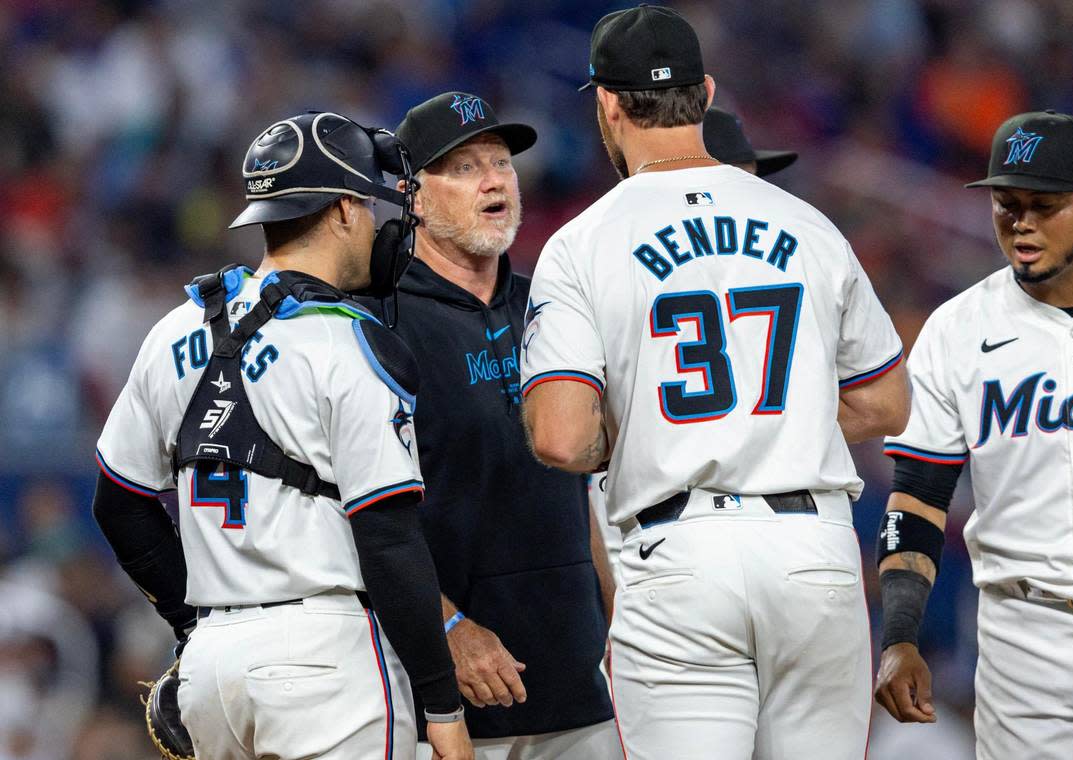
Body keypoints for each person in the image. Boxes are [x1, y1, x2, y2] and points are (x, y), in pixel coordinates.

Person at [520, 6, 910, 760]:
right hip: (813, 548)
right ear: (705, 91)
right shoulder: (806, 224)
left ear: (605, 101)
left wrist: (654, 427)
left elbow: (560, 435)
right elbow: (886, 401)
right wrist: (782, 417)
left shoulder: (581, 242)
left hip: (680, 555)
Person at [91, 111, 472, 760]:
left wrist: (194, 624)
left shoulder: (175, 329)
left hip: (212, 666)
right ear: (347, 210)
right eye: (376, 204)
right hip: (324, 660)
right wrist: (442, 704)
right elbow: (388, 537)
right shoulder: (347, 341)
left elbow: (118, 503)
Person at [361, 91, 621, 760]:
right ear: (412, 195)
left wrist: (620, 615)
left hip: (578, 678)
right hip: (442, 695)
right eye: (466, 165)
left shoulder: (553, 308)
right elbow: (352, 510)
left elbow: (581, 491)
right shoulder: (373, 324)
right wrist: (445, 625)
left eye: (502, 162)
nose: (495, 179)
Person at [875, 110, 1073, 760]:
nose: (1021, 223)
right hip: (1020, 635)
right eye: (1006, 205)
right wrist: (899, 636)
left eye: (1044, 206)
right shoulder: (955, 329)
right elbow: (915, 501)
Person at [588, 105, 800, 576]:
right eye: (743, 178)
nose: (754, 196)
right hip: (653, 519)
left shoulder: (610, 257)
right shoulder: (618, 267)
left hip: (739, 531)